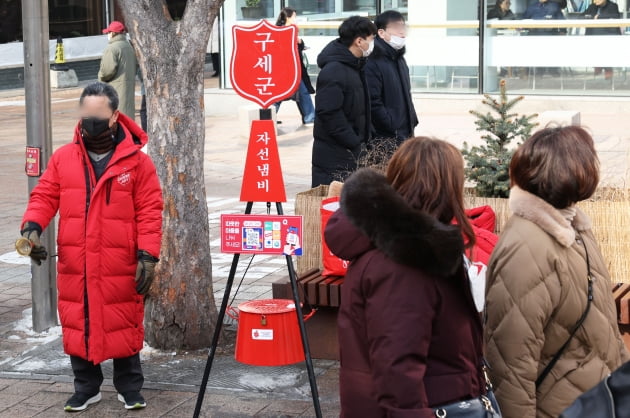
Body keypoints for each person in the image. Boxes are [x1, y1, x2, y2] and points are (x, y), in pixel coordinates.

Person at [325, 137, 498, 417]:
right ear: (443, 190)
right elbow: (398, 367)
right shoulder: (405, 261)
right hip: (434, 406)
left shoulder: (402, 245)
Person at [19, 82, 163, 412]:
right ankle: (86, 387)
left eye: (98, 116)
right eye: (87, 115)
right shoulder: (64, 158)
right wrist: (32, 227)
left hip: (119, 260)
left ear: (115, 116)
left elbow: (150, 210)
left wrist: (148, 254)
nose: (91, 122)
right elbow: (44, 196)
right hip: (76, 259)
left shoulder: (137, 164)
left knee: (123, 322)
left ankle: (129, 387)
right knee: (78, 321)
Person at [484, 126, 630, 418]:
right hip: (563, 408)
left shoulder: (575, 227)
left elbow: (604, 327)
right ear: (573, 172)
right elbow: (511, 366)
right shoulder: (525, 248)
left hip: (597, 402)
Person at [312, 16, 376, 187]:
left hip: (350, 152)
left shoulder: (355, 66)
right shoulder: (334, 70)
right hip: (335, 157)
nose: (372, 44)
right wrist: (354, 142)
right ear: (359, 41)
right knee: (335, 209)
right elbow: (329, 112)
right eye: (371, 39)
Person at [365, 10, 418, 148]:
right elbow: (373, 102)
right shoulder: (372, 61)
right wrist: (390, 124)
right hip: (385, 138)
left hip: (406, 133)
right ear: (381, 33)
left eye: (403, 27)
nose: (402, 32)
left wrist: (412, 120)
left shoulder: (399, 59)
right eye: (396, 28)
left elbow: (406, 95)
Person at [273, 7, 315, 126]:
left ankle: (310, 117)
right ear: (287, 17)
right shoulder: (283, 31)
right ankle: (309, 117)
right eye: (294, 17)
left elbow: (296, 47)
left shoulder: (289, 30)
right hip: (287, 69)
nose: (296, 19)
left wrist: (300, 43)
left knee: (301, 92)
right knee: (281, 94)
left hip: (293, 68)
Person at [98, 21, 138, 119]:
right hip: (128, 87)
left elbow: (107, 71)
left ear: (113, 33)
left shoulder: (112, 48)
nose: (108, 35)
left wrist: (100, 76)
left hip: (114, 88)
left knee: (115, 119)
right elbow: (136, 66)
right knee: (127, 117)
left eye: (108, 32)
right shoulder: (129, 47)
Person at [584, 0, 621, 79]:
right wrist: (591, 17)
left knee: (604, 46)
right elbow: (582, 16)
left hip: (608, 36)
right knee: (592, 43)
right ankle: (598, 64)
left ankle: (607, 68)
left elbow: (615, 16)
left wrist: (599, 17)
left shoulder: (613, 5)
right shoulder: (592, 6)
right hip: (593, 36)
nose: (595, 0)